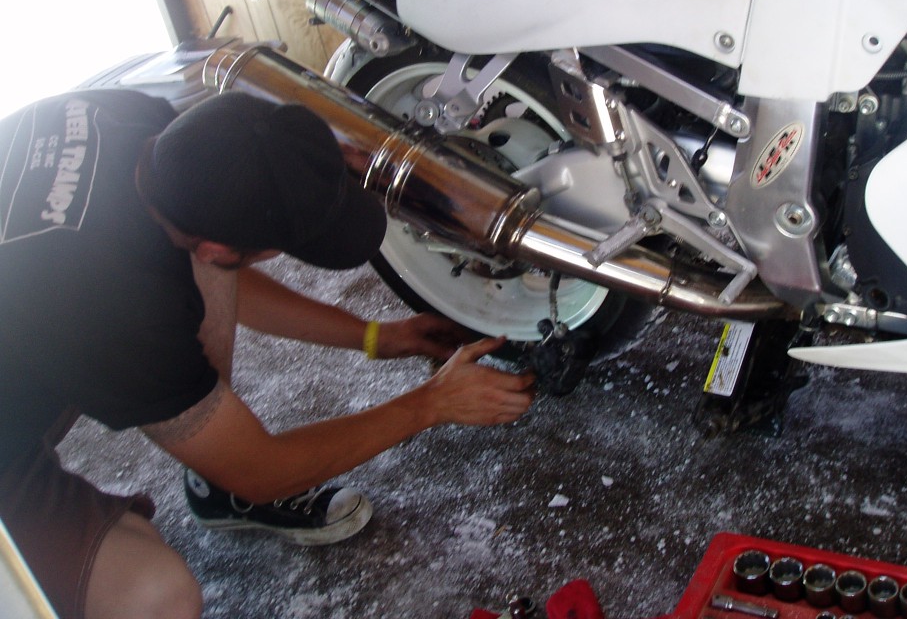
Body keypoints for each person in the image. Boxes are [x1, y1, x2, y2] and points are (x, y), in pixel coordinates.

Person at [0, 88, 536, 619]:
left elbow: (204, 272)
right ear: (218, 248)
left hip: (32, 332)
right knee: (154, 597)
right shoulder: (113, 310)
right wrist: (431, 404)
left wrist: (377, 336)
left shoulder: (135, 124)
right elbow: (262, 473)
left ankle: (207, 476)